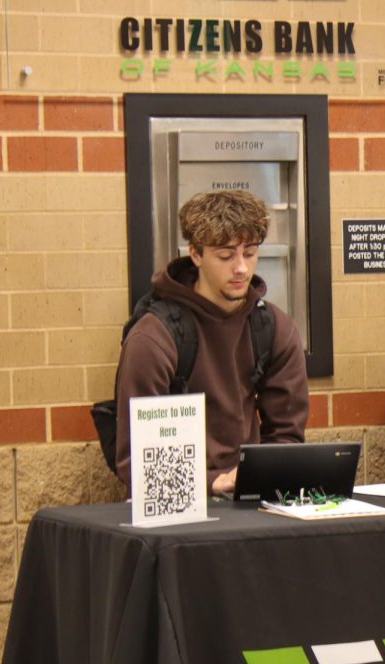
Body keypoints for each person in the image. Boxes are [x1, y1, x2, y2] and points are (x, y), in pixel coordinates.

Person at [114, 190, 309, 495]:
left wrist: (259, 474)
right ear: (196, 254)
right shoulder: (153, 337)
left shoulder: (273, 327)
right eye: (225, 255)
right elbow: (136, 459)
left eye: (250, 253)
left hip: (249, 495)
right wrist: (212, 482)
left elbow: (287, 435)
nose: (241, 268)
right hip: (174, 503)